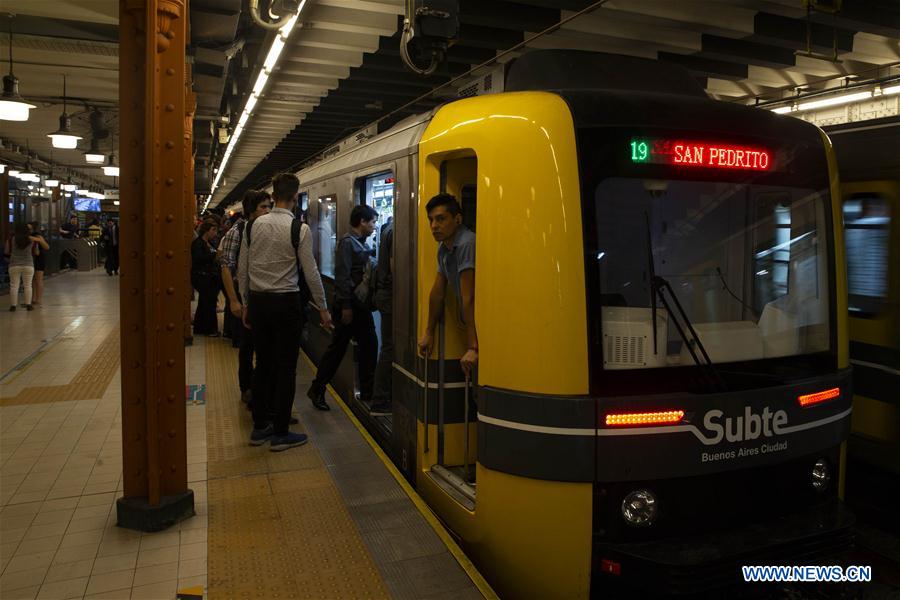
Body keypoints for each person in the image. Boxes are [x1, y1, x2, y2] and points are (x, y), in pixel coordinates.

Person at [238, 172, 332, 451]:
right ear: (294, 197)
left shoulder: (251, 227)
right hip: (286, 303)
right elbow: (311, 272)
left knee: (263, 364)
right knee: (286, 367)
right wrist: (323, 308)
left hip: (258, 302)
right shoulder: (298, 229)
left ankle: (259, 427)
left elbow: (242, 268)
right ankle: (280, 432)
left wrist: (245, 303)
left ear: (273, 195)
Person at [307, 205, 379, 411]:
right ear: (362, 222)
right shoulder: (347, 243)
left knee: (367, 346)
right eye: (372, 222)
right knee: (339, 350)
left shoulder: (360, 243)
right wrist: (346, 306)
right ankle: (318, 388)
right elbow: (343, 276)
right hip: (349, 308)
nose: (374, 226)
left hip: (359, 307)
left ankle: (367, 390)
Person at [417, 194, 478, 377]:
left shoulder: (466, 243)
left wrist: (473, 347)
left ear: (457, 219)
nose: (434, 226)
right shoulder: (444, 248)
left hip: (481, 333)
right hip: (471, 329)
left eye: (441, 219)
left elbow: (469, 298)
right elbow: (437, 292)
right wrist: (429, 331)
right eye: (431, 220)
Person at [220, 190, 271, 404]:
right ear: (251, 210)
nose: (268, 211)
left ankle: (263, 393)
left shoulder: (267, 228)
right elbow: (226, 266)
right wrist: (233, 300)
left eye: (269, 207)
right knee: (247, 346)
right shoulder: (237, 232)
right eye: (263, 207)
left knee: (264, 349)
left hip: (262, 298)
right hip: (245, 297)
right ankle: (247, 388)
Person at [369, 218, 394, 416]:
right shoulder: (395, 231)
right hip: (390, 298)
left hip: (384, 296)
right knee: (389, 348)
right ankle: (380, 400)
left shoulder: (388, 228)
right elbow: (395, 269)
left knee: (387, 348)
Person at [191, 222, 219, 336]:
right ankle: (209, 329)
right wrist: (215, 256)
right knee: (209, 303)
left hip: (208, 276)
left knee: (204, 302)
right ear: (206, 230)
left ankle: (200, 327)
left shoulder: (209, 243)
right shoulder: (198, 243)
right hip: (201, 276)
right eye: (213, 230)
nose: (215, 233)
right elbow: (198, 259)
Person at [4, 223, 39, 311]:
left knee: (14, 286)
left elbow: (7, 251)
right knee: (28, 285)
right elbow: (36, 252)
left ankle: (13, 306)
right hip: (28, 265)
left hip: (14, 265)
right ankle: (28, 305)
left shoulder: (11, 239)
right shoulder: (31, 239)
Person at [28, 222, 49, 305]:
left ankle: (38, 299)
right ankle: (33, 298)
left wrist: (39, 240)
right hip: (30, 259)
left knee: (38, 279)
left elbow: (47, 247)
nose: (28, 230)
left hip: (39, 259)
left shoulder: (37, 236)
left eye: (29, 228)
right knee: (33, 280)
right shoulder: (25, 236)